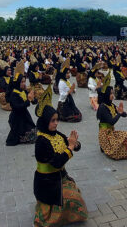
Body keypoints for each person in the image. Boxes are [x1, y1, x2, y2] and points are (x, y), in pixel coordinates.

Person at [32, 89, 88, 226]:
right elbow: (57, 163)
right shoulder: (41, 141)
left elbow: (73, 145)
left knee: (76, 197)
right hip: (46, 182)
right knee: (73, 200)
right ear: (45, 121)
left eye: (57, 120)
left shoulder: (57, 134)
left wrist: (75, 144)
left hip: (59, 177)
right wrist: (70, 147)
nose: (56, 123)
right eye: (52, 121)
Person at [96, 71, 127, 160]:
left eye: (112, 93)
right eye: (111, 94)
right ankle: (103, 145)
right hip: (105, 135)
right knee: (116, 148)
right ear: (106, 96)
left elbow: (125, 115)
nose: (113, 95)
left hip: (111, 132)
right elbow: (111, 121)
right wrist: (119, 114)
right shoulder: (102, 107)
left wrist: (121, 112)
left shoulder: (111, 105)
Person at [6, 73, 38, 146]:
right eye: (22, 82)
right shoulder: (14, 94)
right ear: (17, 83)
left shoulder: (23, 91)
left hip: (25, 116)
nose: (24, 84)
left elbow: (33, 101)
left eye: (24, 81)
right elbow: (18, 107)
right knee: (31, 137)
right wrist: (28, 100)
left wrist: (33, 98)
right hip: (17, 119)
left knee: (36, 133)